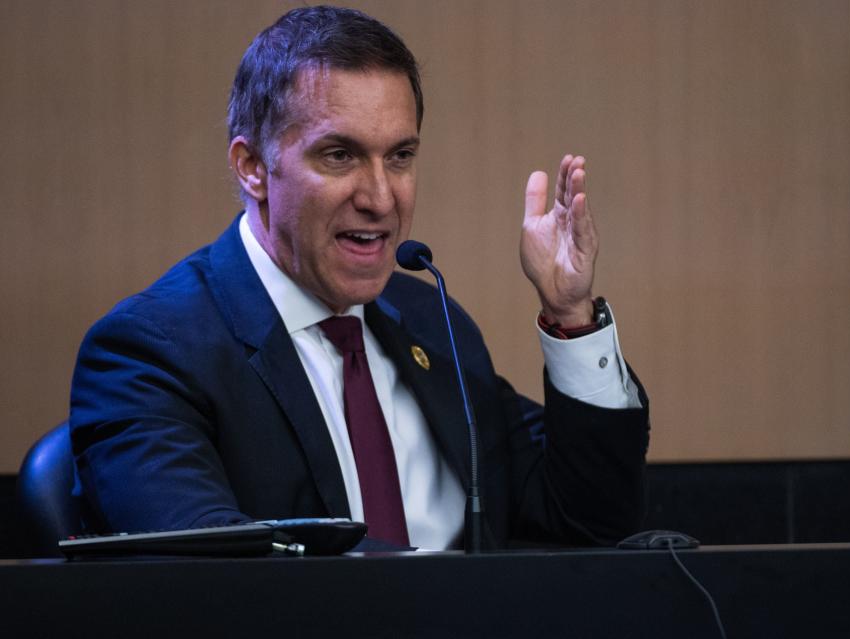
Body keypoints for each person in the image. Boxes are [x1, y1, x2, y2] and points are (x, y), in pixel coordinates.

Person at [70, 5, 649, 550]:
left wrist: (572, 315)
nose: (380, 198)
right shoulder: (150, 355)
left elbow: (586, 526)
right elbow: (212, 582)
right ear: (253, 168)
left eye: (399, 157)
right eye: (340, 156)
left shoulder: (430, 322)